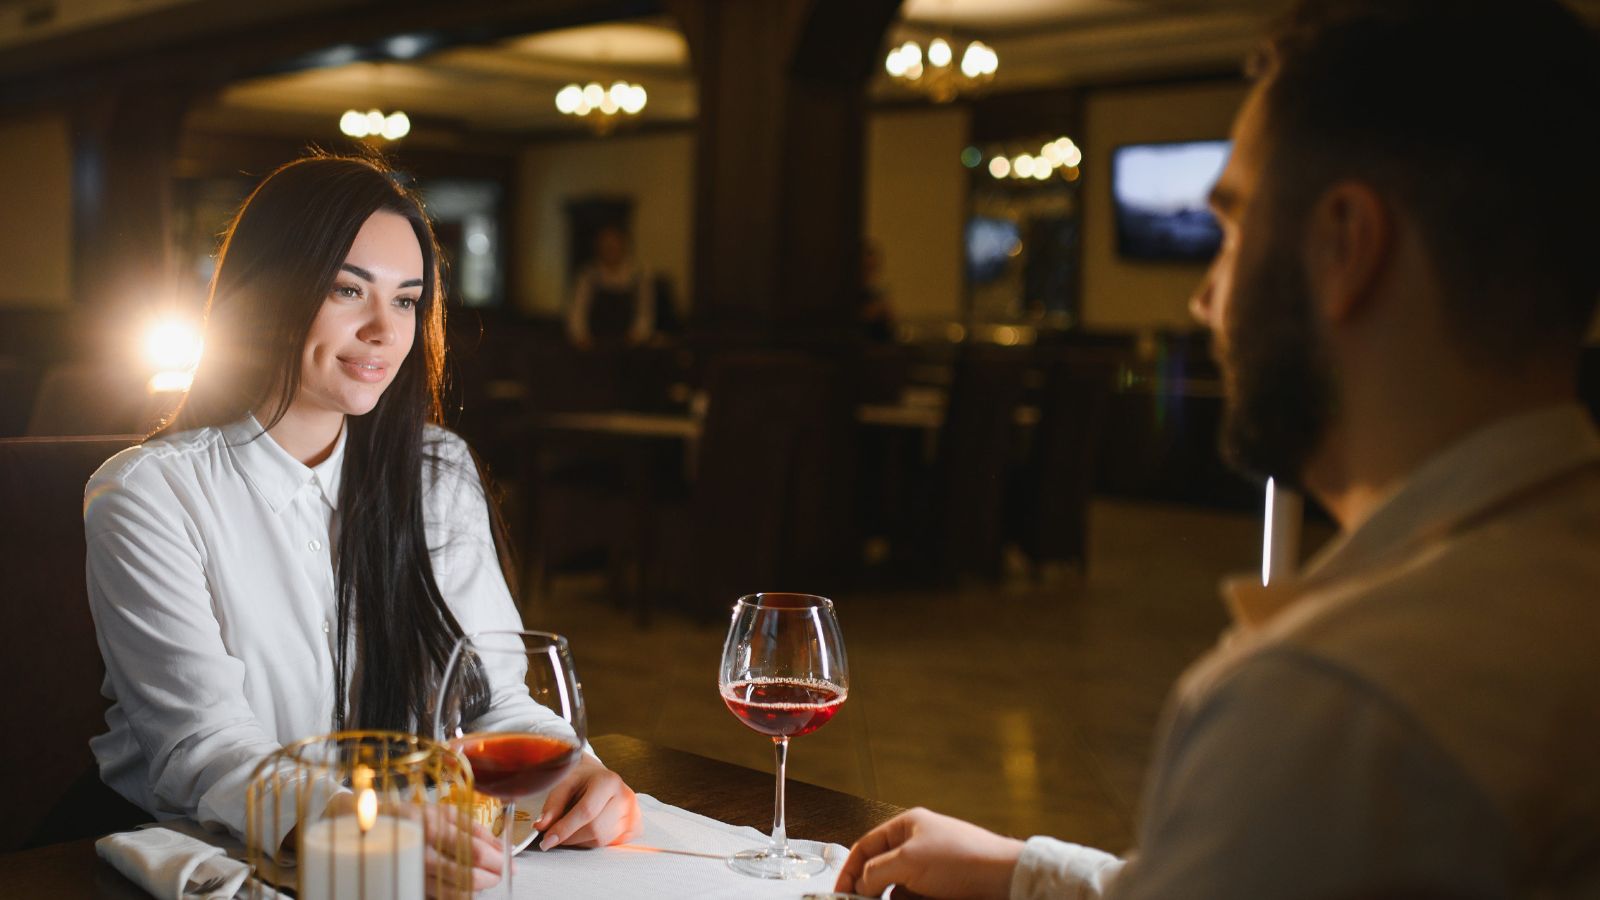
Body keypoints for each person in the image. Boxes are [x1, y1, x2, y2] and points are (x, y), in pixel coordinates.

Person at [837, 1, 1600, 897]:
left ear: (1344, 246)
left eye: (1233, 231)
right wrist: (1023, 871)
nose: (1205, 300)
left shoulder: (1331, 702)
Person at [83, 154, 640, 889]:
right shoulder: (149, 493)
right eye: (350, 289)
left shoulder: (435, 468)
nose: (385, 329)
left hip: (413, 861)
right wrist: (355, 828)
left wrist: (576, 770)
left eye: (407, 300)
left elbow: (494, 696)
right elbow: (203, 746)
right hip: (214, 861)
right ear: (269, 293)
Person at [565, 223, 655, 348]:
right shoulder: (589, 276)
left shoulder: (639, 276)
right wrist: (581, 337)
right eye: (606, 245)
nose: (610, 249)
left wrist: (638, 335)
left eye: (614, 245)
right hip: (595, 345)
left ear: (624, 245)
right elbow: (577, 313)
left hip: (629, 347)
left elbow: (645, 313)